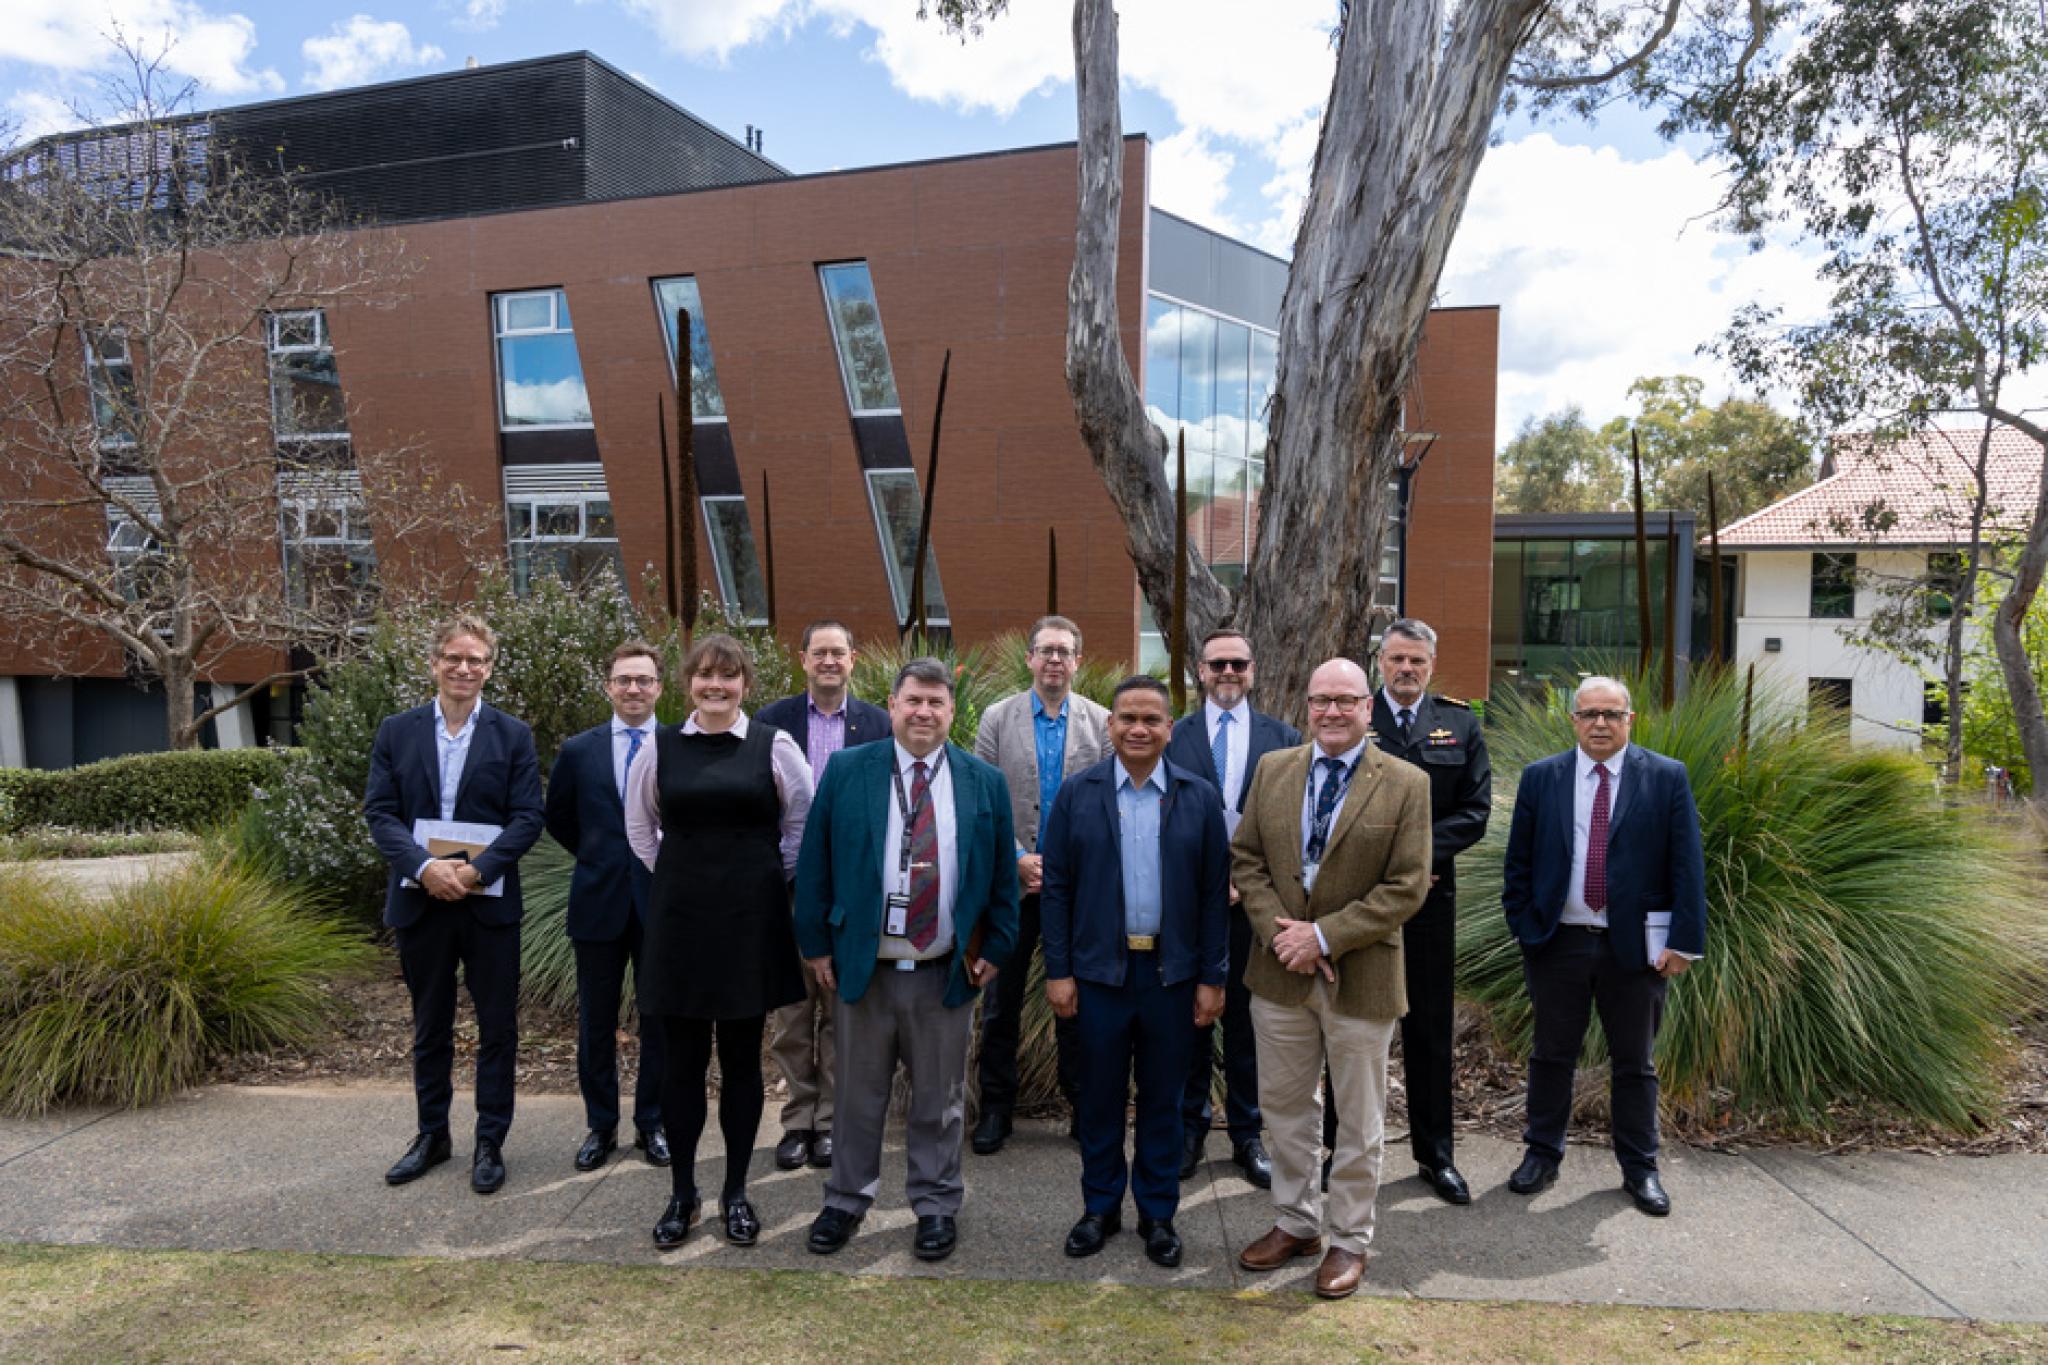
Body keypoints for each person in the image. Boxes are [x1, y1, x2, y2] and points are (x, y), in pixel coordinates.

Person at [793, 658, 1020, 1263]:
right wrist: (815, 947)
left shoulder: (982, 781)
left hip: (945, 971)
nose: (924, 712)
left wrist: (996, 949)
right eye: (913, 701)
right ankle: (844, 1200)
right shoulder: (846, 771)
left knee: (939, 1101)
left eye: (936, 703)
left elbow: (1002, 876)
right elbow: (815, 865)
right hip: (863, 970)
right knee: (856, 1097)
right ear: (891, 706)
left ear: (952, 712)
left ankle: (937, 1205)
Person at [1232, 656, 1431, 1301]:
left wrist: (1324, 936)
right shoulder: (1273, 771)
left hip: (1362, 976)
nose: (1332, 712)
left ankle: (1349, 1239)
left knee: (1359, 1118)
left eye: (1346, 700)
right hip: (1281, 973)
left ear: (1368, 708)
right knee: (1287, 1110)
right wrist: (1283, 936)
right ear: (1306, 706)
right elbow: (1248, 859)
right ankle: (1296, 1223)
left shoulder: (1404, 783)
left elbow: (1405, 888)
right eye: (1321, 700)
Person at [625, 634, 814, 1250]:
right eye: (704, 675)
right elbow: (640, 827)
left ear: (745, 685)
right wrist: (685, 877)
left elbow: (799, 824)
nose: (715, 685)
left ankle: (735, 1192)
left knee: (740, 1063)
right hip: (680, 921)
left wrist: (758, 876)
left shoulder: (774, 745)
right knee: (681, 1066)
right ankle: (682, 1194)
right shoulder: (660, 747)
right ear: (688, 684)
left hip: (748, 921)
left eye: (727, 676)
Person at [1500, 675, 1705, 1217]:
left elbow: (1687, 866)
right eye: (1589, 714)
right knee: (1551, 1055)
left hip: (1635, 950)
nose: (1599, 724)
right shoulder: (1541, 778)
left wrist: (1684, 942)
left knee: (1634, 1063)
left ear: (1630, 720)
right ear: (1573, 719)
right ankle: (1541, 1154)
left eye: (1611, 714)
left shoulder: (1664, 777)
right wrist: (1525, 926)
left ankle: (1640, 1168)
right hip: (1557, 942)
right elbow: (1518, 862)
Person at [1042, 676, 1229, 1269]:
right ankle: (1099, 1208)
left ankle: (1157, 1213)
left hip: (1171, 979)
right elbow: (1058, 891)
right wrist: (1059, 971)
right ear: (1111, 726)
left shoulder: (1200, 798)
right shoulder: (1078, 794)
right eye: (1128, 718)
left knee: (1163, 1101)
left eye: (1152, 719)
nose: (1139, 729)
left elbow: (1211, 897)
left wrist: (1212, 977)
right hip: (1099, 976)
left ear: (1170, 728)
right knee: (1097, 1099)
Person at [365, 613, 545, 1195]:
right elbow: (380, 813)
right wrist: (424, 866)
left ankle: (490, 1141)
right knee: (429, 1026)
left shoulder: (512, 734)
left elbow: (527, 818)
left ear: (489, 669)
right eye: (454, 658)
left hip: (487, 903)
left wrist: (476, 871)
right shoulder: (397, 730)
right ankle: (432, 1135)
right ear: (435, 663)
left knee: (497, 1029)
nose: (464, 668)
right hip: (420, 900)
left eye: (476, 660)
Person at [1335, 619, 1490, 1204]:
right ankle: (1338, 1150)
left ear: (1431, 664)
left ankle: (1435, 1155)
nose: (1406, 670)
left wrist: (1416, 859)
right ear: (1380, 662)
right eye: (1397, 659)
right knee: (1347, 1027)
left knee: (1427, 1030)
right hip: (1356, 899)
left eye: (1417, 661)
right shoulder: (1351, 717)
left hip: (1427, 899)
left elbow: (1474, 811)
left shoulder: (1459, 723)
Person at [1165, 627, 1300, 1190]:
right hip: (1190, 903)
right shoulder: (1174, 736)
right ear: (1200, 670)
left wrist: (1247, 882)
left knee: (1248, 1020)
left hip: (1255, 904)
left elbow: (1291, 823)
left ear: (1253, 670)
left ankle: (1247, 1131)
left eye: (1237, 664)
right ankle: (1191, 1125)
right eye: (1217, 663)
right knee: (1191, 1017)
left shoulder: (1284, 736)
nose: (1227, 673)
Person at [754, 620, 891, 1173]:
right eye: (820, 653)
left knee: (843, 1011)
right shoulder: (771, 722)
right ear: (803, 659)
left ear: (853, 659)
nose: (829, 661)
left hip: (851, 890)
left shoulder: (879, 724)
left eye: (839, 652)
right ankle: (797, 1120)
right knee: (791, 1013)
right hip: (785, 887)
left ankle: (832, 1121)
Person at [970, 614, 1108, 1154]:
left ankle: (1083, 1107)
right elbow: (982, 800)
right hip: (1012, 887)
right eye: (1045, 650)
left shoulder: (1100, 723)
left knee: (1077, 1002)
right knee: (1000, 1002)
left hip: (1075, 891)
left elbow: (1105, 807)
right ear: (1030, 659)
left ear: (1077, 660)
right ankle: (996, 1110)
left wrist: (1065, 867)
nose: (1054, 660)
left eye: (1063, 651)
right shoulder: (997, 719)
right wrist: (1018, 858)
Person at [544, 640, 672, 1174]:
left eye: (644, 680)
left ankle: (652, 1122)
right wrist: (601, 859)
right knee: (595, 1022)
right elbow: (558, 818)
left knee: (660, 1019)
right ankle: (601, 1125)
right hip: (597, 902)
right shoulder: (579, 750)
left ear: (660, 687)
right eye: (624, 679)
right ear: (608, 686)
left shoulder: (680, 744)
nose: (634, 688)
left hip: (661, 903)